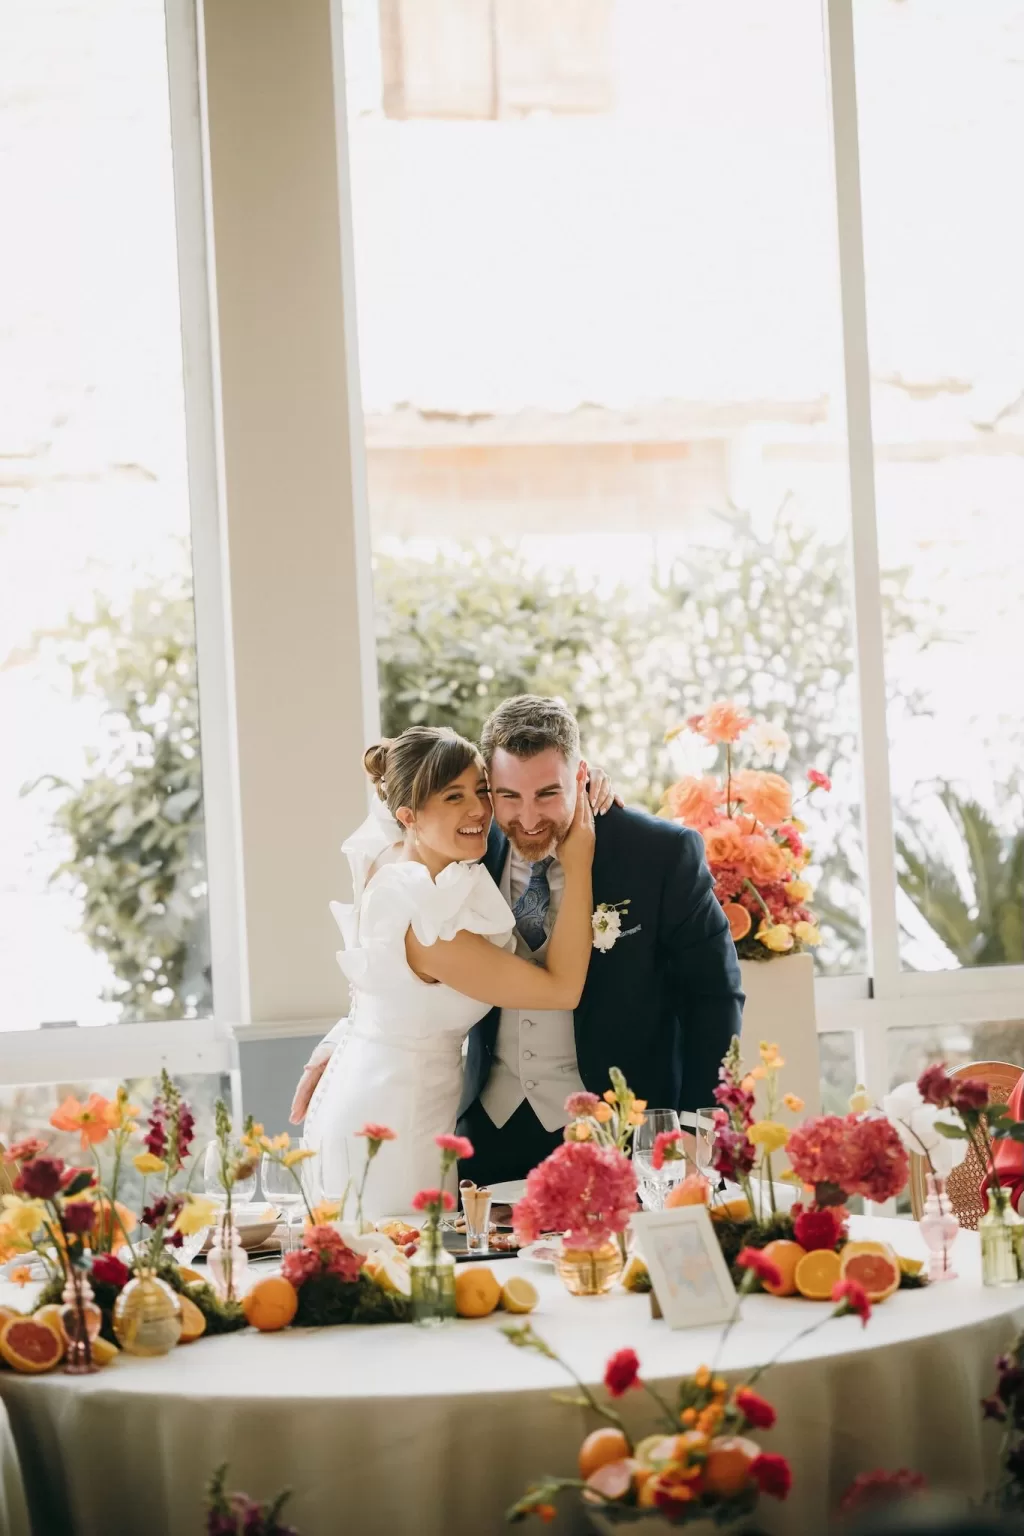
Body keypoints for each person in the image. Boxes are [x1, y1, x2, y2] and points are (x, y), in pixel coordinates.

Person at [297, 695, 744, 1189]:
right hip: (486, 1133)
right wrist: (346, 1038)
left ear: (582, 775)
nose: (527, 818)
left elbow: (713, 995)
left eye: (548, 793)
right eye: (507, 795)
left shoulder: (659, 854)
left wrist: (699, 1124)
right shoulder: (462, 844)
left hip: (620, 1133)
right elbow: (398, 958)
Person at [300, 725, 595, 1218]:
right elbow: (561, 989)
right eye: (453, 797)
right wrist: (579, 861)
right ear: (408, 816)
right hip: (394, 1124)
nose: (479, 810)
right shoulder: (426, 921)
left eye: (480, 791)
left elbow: (380, 990)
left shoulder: (392, 861)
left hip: (374, 1090)